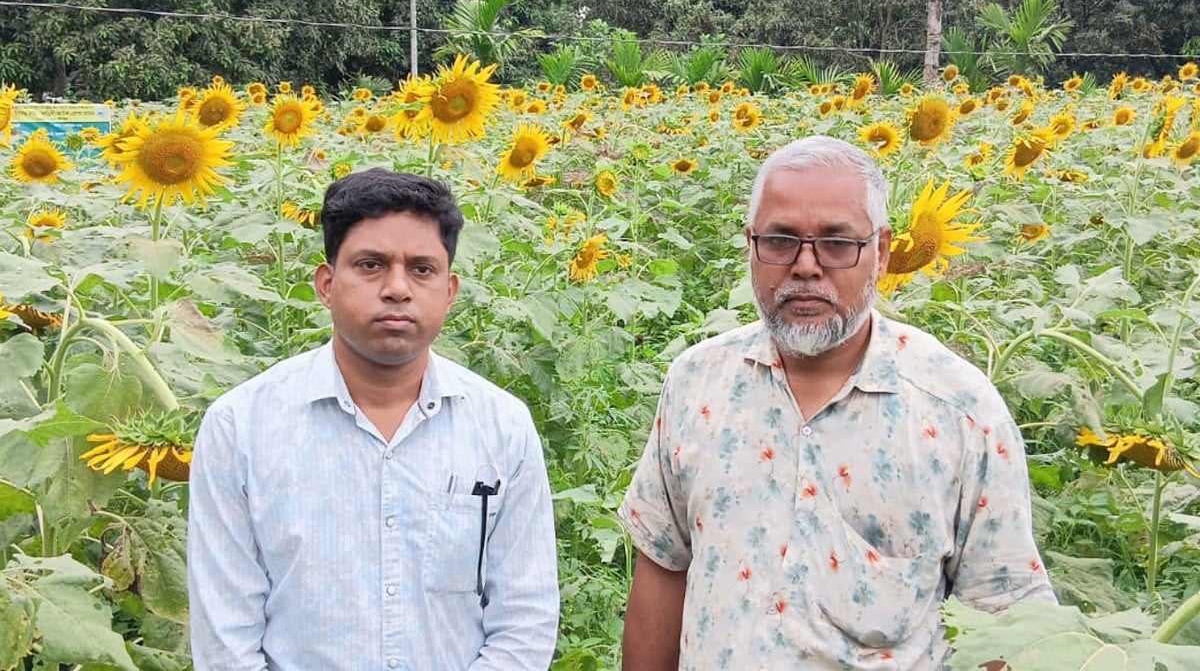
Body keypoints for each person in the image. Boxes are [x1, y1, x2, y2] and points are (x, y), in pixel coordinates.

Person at [619, 136, 1055, 670]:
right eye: (780, 240)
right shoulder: (696, 383)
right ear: (750, 244)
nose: (805, 266)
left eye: (836, 243)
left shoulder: (958, 411)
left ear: (883, 251)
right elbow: (664, 568)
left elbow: (1003, 622)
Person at [188, 168, 559, 670]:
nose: (397, 289)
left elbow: (525, 620)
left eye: (422, 269)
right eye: (371, 265)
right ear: (326, 284)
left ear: (449, 291)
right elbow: (226, 641)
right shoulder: (241, 428)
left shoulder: (501, 428)